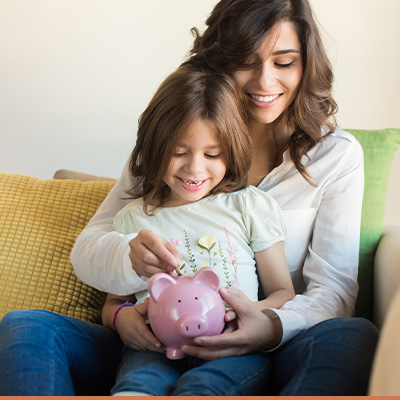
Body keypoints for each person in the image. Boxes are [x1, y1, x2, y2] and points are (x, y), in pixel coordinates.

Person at [0, 0, 379, 396]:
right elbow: (90, 249)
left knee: (352, 334)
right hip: (153, 344)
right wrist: (126, 290)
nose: (266, 82)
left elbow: (332, 292)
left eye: (284, 63)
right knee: (26, 327)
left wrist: (268, 327)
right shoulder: (168, 148)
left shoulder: (336, 156)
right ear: (217, 60)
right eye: (246, 61)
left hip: (274, 344)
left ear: (307, 65)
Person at [102, 65, 295, 396]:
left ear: (231, 152)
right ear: (153, 148)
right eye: (178, 152)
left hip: (233, 347)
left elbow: (283, 293)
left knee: (204, 387)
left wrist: (248, 314)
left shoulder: (248, 206)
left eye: (212, 154)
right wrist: (121, 319)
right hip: (154, 349)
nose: (194, 167)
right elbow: (113, 303)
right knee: (136, 386)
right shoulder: (132, 219)